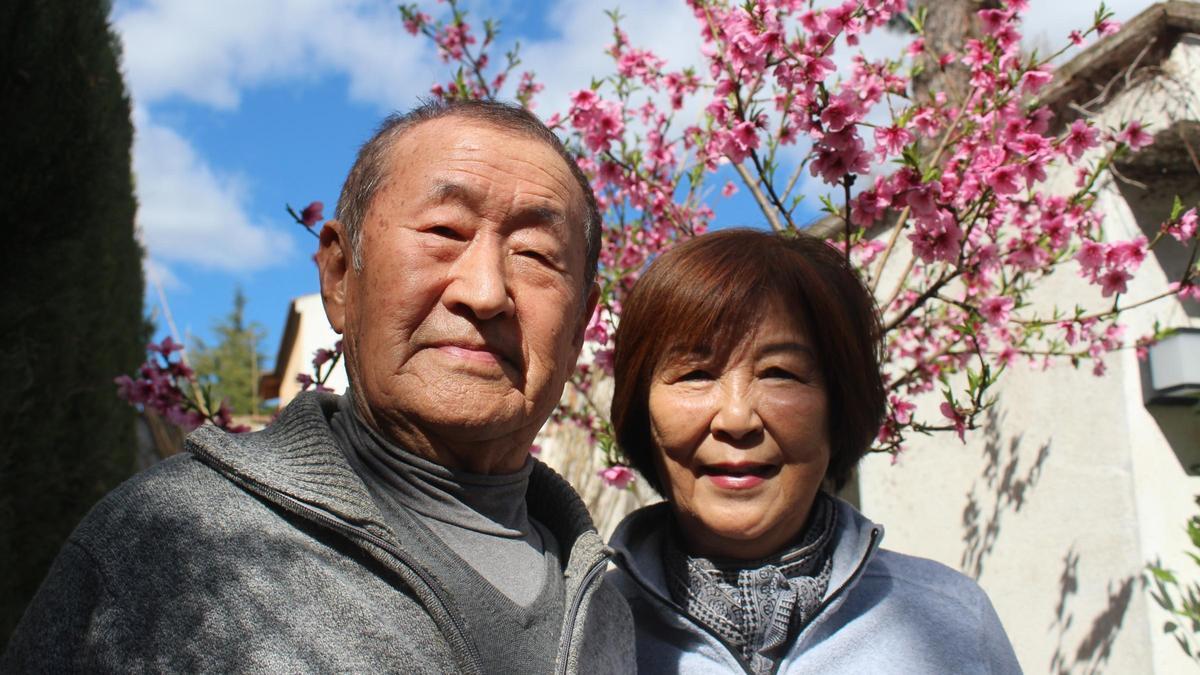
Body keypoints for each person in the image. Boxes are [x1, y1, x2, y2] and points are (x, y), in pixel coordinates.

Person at [2, 100, 634, 674]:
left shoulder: (609, 601)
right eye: (443, 232)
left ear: (581, 323)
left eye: (535, 254)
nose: (484, 291)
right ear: (338, 275)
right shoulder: (164, 542)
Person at [606, 229, 1021, 674]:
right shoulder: (585, 633)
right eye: (695, 374)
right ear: (641, 408)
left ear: (838, 408)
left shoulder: (950, 618)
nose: (736, 418)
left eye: (780, 373)